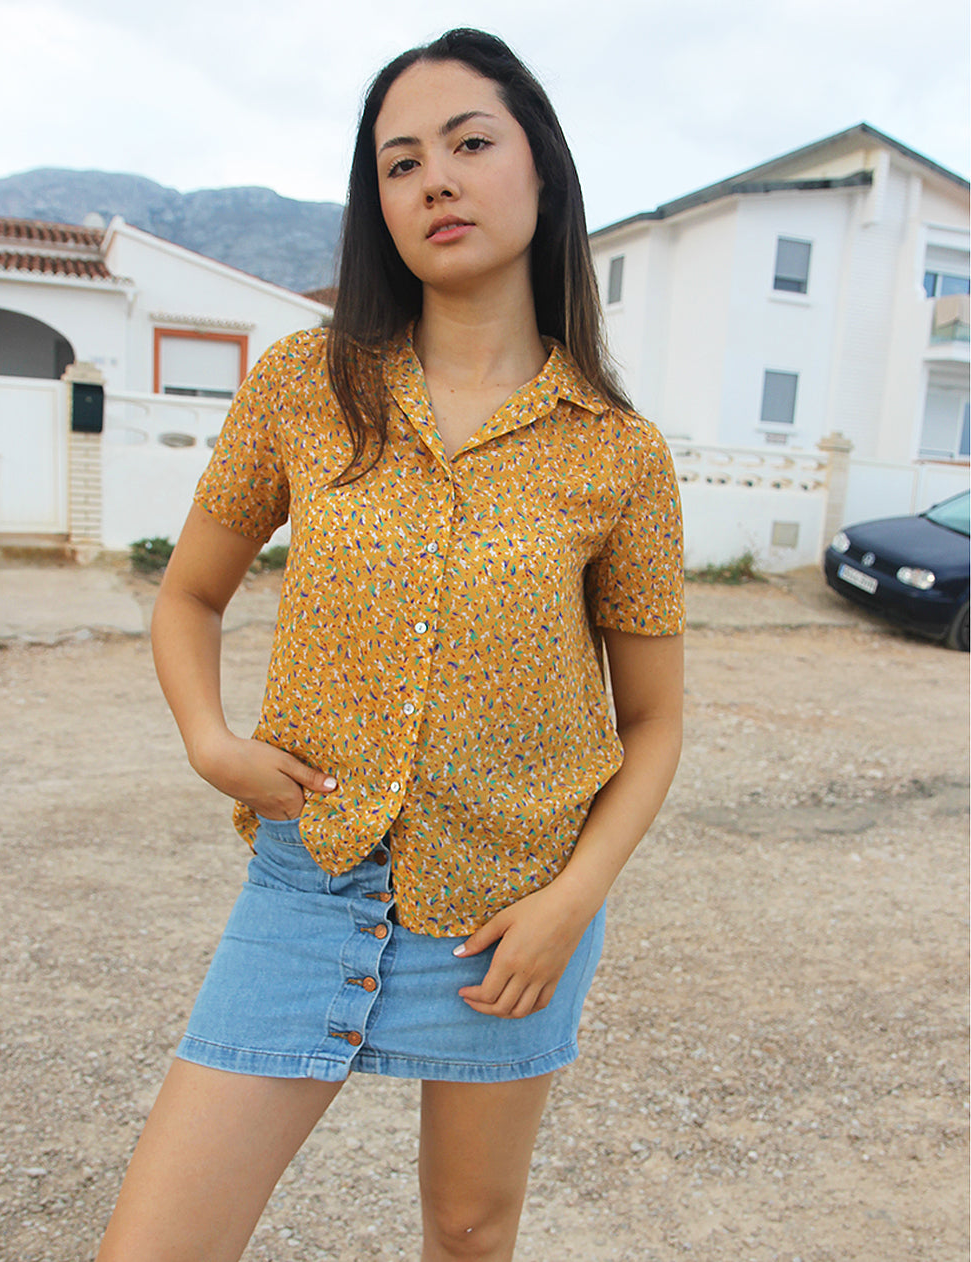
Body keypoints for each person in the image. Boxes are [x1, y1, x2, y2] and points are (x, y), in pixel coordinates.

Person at [97, 27, 684, 1262]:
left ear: (541, 168)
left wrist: (569, 904)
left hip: (506, 917)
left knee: (468, 1232)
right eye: (400, 161)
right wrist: (210, 741)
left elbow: (654, 721)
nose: (434, 180)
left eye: (469, 143)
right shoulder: (307, 383)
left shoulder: (616, 453)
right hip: (308, 883)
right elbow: (188, 595)